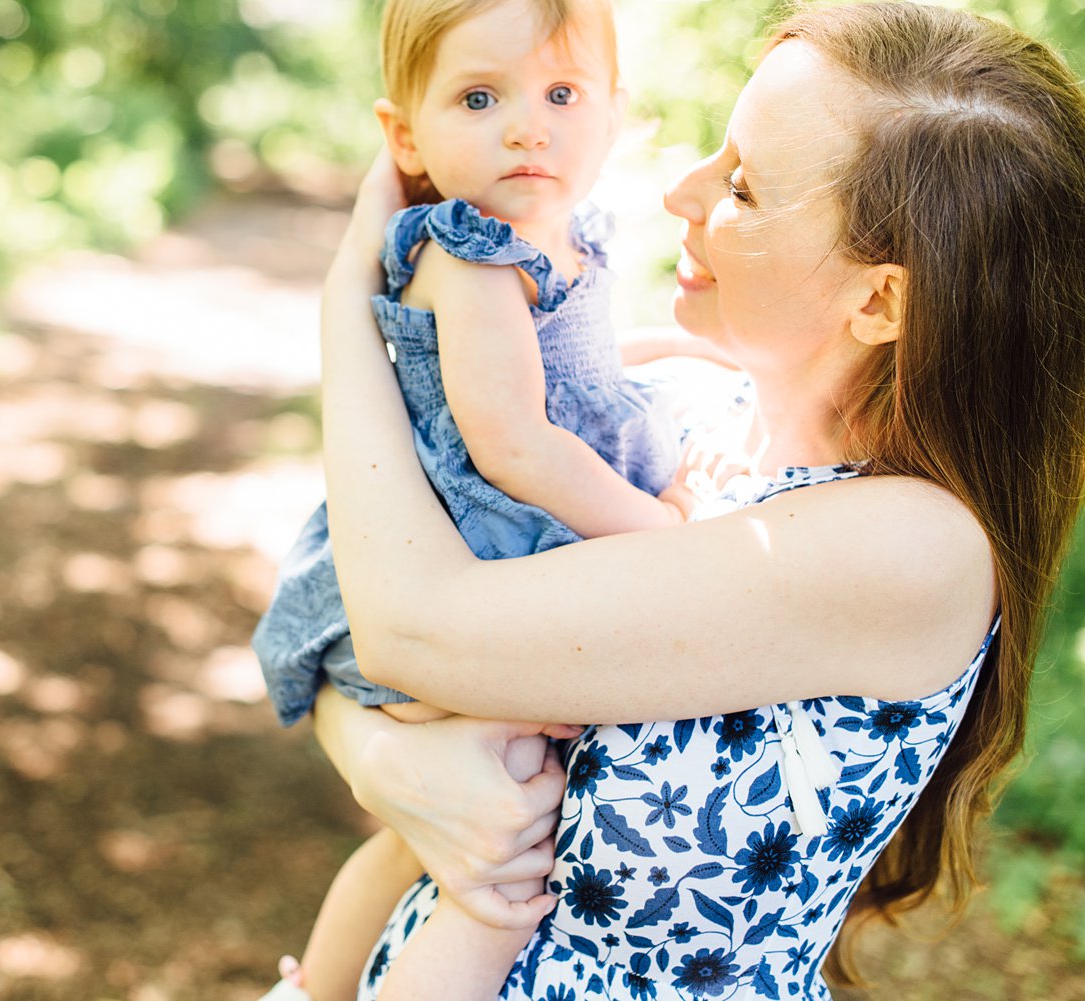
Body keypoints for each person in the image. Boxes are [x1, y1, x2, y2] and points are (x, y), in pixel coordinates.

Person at [300, 3, 1085, 999]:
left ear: (879, 300)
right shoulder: (681, 407)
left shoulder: (909, 548)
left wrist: (344, 308)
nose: (682, 189)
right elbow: (353, 589)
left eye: (744, 186)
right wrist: (380, 758)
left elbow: (409, 628)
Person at [251, 0, 706, 996]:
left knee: (424, 841)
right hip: (465, 566)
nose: (526, 126)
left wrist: (672, 351)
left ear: (612, 113)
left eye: (560, 93)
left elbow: (564, 376)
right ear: (405, 137)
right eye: (479, 97)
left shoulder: (566, 231)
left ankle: (311, 989)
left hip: (502, 559)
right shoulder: (468, 256)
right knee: (496, 847)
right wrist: (664, 532)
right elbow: (513, 442)